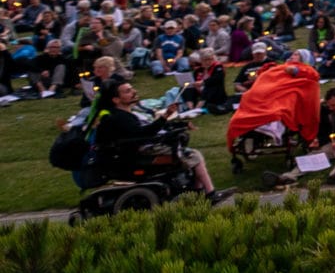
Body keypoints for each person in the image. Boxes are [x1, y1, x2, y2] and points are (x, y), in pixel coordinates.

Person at [91, 79, 233, 202]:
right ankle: (209, 194)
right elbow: (145, 133)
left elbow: (148, 129)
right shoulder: (120, 117)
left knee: (190, 153)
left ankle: (198, 192)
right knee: (193, 155)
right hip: (132, 156)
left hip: (137, 150)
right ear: (116, 99)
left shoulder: (127, 114)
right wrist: (166, 116)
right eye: (128, 91)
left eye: (132, 89)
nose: (133, 92)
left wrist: (177, 123)